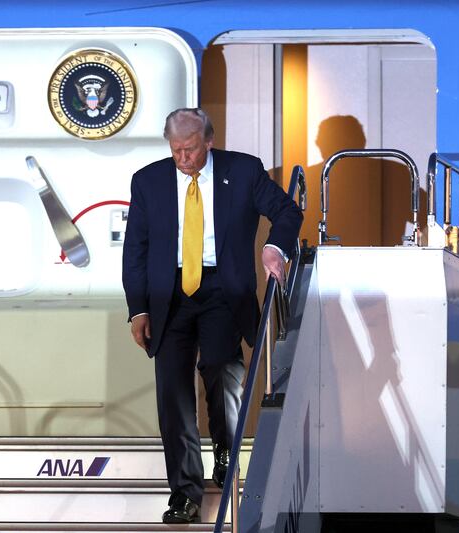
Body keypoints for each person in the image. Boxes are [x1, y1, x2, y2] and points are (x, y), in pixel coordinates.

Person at [122, 108, 303, 523]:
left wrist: (274, 247)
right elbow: (135, 249)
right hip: (168, 296)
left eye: (190, 149)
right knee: (173, 394)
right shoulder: (148, 181)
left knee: (222, 371)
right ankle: (184, 493)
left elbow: (288, 212)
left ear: (209, 141)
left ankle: (225, 450)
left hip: (223, 290)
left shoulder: (243, 171)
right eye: (175, 150)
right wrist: (139, 308)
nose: (183, 158)